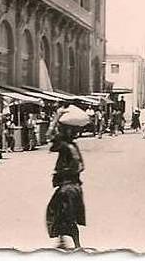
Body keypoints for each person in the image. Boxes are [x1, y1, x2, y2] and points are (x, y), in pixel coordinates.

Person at [46, 106, 88, 250]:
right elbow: (81, 166)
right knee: (65, 215)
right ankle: (68, 242)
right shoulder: (73, 145)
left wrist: (56, 118)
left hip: (67, 188)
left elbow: (49, 137)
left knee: (58, 213)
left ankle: (74, 245)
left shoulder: (64, 146)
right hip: (74, 187)